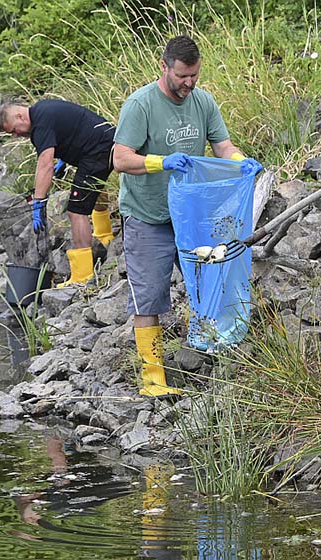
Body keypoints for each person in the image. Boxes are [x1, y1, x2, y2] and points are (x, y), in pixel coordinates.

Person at [113, 35, 262, 398]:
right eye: (182, 76)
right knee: (149, 297)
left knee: (213, 282)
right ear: (164, 67)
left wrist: (241, 162)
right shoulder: (141, 105)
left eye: (194, 75)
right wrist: (160, 162)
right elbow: (119, 158)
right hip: (148, 217)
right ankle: (152, 380)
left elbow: (223, 146)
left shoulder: (203, 101)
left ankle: (216, 359)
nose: (189, 84)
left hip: (193, 218)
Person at [0, 100, 117, 287]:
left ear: (20, 116)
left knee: (76, 211)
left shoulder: (40, 125)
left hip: (97, 151)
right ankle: (105, 236)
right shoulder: (43, 110)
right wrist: (63, 159)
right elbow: (70, 129)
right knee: (93, 189)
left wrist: (38, 203)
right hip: (108, 141)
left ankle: (82, 275)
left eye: (13, 130)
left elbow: (44, 165)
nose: (16, 136)